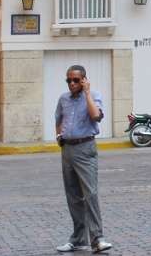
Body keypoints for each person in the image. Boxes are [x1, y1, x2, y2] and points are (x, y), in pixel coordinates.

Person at [54, 65, 111, 253]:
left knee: (90, 194)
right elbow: (58, 119)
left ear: (84, 80)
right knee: (73, 196)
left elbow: (96, 116)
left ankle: (98, 239)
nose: (72, 83)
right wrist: (59, 136)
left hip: (85, 148)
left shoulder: (94, 96)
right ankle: (78, 239)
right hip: (67, 149)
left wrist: (87, 93)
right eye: (69, 80)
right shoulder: (63, 99)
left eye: (76, 80)